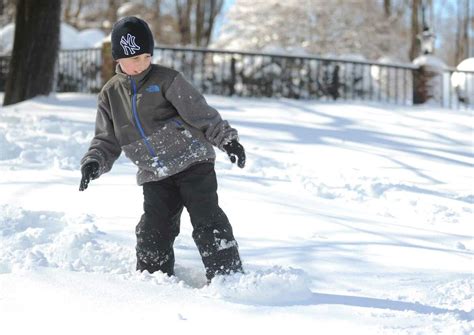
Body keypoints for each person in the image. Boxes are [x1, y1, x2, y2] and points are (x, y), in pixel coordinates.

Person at [79, 16, 245, 282]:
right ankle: (153, 278)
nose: (141, 64)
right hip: (154, 172)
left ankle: (228, 275)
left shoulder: (167, 79)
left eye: (146, 57)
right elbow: (106, 138)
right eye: (133, 59)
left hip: (192, 160)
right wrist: (94, 162)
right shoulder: (110, 95)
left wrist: (227, 140)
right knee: (154, 227)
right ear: (118, 58)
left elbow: (202, 114)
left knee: (207, 217)